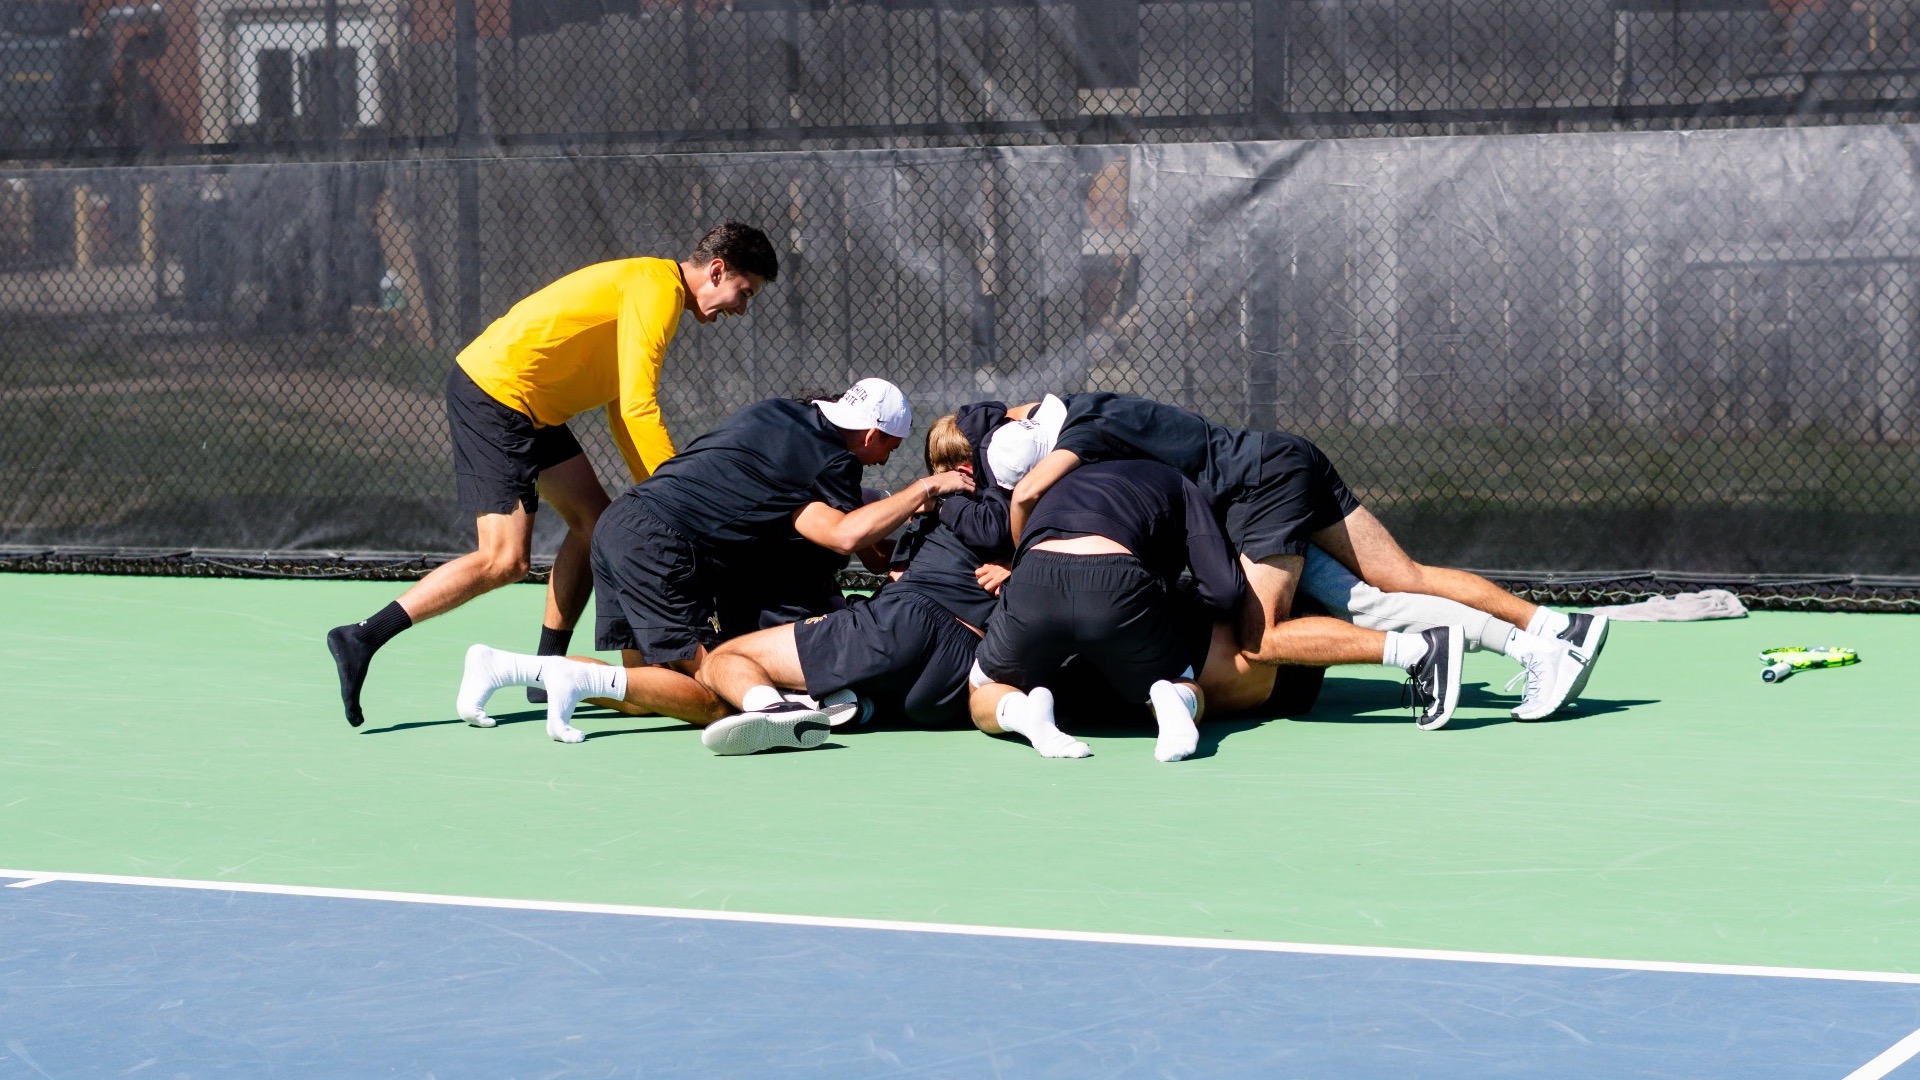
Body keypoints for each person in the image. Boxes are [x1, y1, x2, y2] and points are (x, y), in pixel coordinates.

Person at [326, 222, 780, 728]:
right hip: (496, 394)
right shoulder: (657, 290)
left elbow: (620, 408)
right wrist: (679, 501)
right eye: (744, 293)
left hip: (531, 406)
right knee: (504, 559)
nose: (742, 309)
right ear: (717, 271)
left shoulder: (657, 292)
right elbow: (637, 407)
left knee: (595, 523)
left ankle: (545, 671)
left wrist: (657, 492)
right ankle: (362, 636)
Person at [979, 392, 1606, 726]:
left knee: (1263, 636)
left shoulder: (1082, 432)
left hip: (1260, 491)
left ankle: (1439, 652)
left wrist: (1019, 556)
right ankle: (1551, 631)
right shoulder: (1088, 408)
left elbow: (1030, 492)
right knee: (1396, 581)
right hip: (1285, 460)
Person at [453, 378, 975, 746]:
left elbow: (843, 531)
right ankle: (778, 713)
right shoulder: (835, 460)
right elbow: (842, 535)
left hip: (621, 524)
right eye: (890, 447)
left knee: (648, 694)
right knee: (716, 687)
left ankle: (514, 668)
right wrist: (925, 489)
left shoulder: (779, 412)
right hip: (661, 547)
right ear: (871, 435)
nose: (885, 459)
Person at [695, 403, 1014, 754]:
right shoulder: (1020, 510)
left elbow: (877, 561)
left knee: (723, 660)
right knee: (874, 679)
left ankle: (778, 709)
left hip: (905, 624)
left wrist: (923, 496)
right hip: (959, 673)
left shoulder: (939, 501)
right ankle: (856, 707)